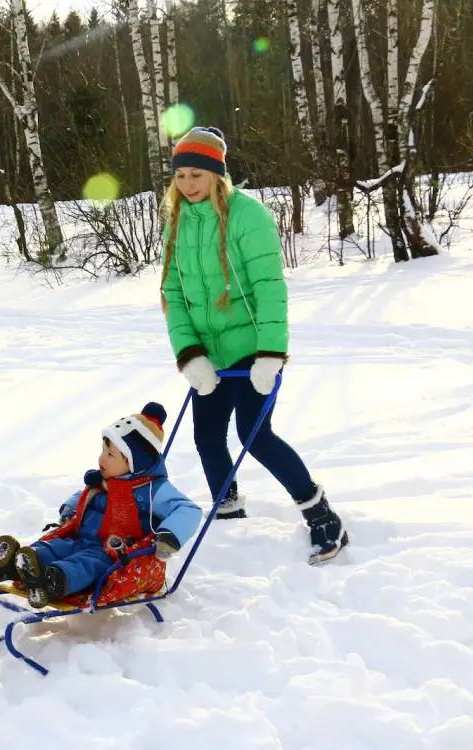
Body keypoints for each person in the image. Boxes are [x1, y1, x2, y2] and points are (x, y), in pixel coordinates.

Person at [159, 126, 349, 565]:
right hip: (209, 355)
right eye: (181, 176)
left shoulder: (248, 216)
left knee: (253, 434)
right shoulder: (176, 219)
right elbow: (172, 292)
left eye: (197, 175)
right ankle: (228, 511)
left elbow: (269, 288)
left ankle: (321, 516)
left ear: (217, 175)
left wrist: (270, 354)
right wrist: (189, 355)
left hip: (251, 349)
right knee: (206, 436)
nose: (188, 185)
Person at [0, 403, 201, 609]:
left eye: (110, 454)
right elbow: (84, 495)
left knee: (86, 565)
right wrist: (70, 509)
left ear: (134, 464)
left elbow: (189, 509)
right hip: (80, 538)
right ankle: (16, 564)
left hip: (111, 552)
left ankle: (54, 581)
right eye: (103, 450)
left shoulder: (153, 489)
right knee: (57, 548)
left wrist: (169, 535)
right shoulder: (105, 480)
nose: (101, 458)